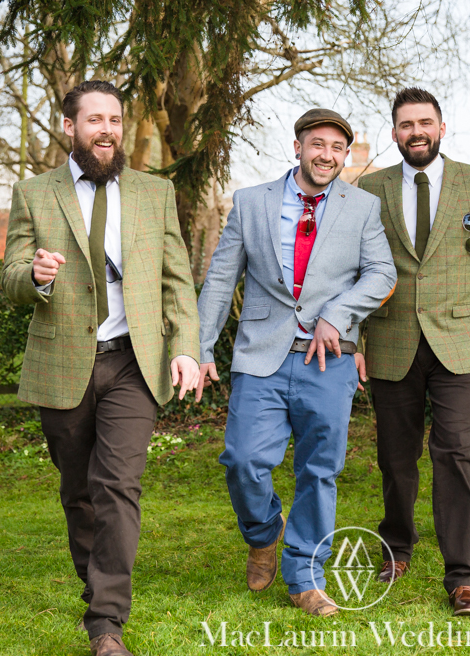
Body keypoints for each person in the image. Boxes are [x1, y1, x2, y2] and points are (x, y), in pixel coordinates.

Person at [2, 80, 200, 656]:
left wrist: (185, 347)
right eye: (94, 120)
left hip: (134, 363)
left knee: (118, 485)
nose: (107, 130)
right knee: (79, 491)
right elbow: (11, 275)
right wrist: (35, 275)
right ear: (70, 127)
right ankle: (98, 583)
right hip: (62, 362)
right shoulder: (34, 193)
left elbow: (176, 279)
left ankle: (106, 621)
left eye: (114, 119)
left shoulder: (153, 192)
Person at [195, 108, 396, 617]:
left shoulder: (362, 207)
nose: (327, 155)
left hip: (329, 362)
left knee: (319, 471)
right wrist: (198, 349)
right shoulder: (250, 202)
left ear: (345, 155)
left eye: (337, 148)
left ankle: (305, 575)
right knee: (242, 461)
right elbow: (221, 280)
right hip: (261, 355)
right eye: (318, 144)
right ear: (298, 146)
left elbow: (381, 273)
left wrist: (338, 314)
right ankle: (264, 533)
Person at [358, 87, 470, 616]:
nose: (417, 132)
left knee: (455, 454)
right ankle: (397, 544)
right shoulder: (369, 188)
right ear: (394, 133)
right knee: (396, 456)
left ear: (441, 127)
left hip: (460, 343)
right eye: (407, 124)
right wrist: (354, 341)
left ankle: (463, 576)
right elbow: (355, 271)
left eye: (425, 122)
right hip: (390, 341)